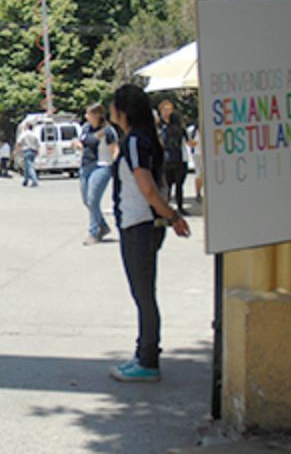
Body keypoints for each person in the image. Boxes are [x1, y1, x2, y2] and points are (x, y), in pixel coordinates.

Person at [108, 84, 190, 383]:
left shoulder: (134, 142)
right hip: (144, 224)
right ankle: (143, 352)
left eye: (114, 105)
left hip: (139, 224)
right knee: (143, 293)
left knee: (143, 294)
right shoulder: (144, 139)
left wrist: (172, 216)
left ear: (123, 111)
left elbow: (148, 188)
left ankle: (148, 359)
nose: (110, 109)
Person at [76, 103, 120, 245]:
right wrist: (77, 145)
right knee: (86, 200)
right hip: (85, 165)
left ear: (97, 115)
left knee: (93, 199)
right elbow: (81, 142)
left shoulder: (107, 131)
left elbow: (115, 149)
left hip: (102, 165)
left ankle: (93, 232)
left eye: (88, 114)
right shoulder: (85, 128)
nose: (86, 117)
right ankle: (103, 226)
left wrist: (115, 165)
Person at [157, 101, 188, 215]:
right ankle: (179, 207)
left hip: (167, 159)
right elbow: (187, 142)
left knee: (168, 186)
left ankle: (166, 208)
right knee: (178, 185)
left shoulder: (163, 129)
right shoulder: (180, 129)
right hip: (178, 158)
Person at [18, 123, 40, 187]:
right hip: (33, 151)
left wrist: (17, 150)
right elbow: (38, 144)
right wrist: (37, 151)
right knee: (27, 166)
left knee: (30, 166)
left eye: (25, 126)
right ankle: (25, 181)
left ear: (27, 127)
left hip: (26, 151)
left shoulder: (24, 134)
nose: (24, 128)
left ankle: (34, 181)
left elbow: (19, 142)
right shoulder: (34, 134)